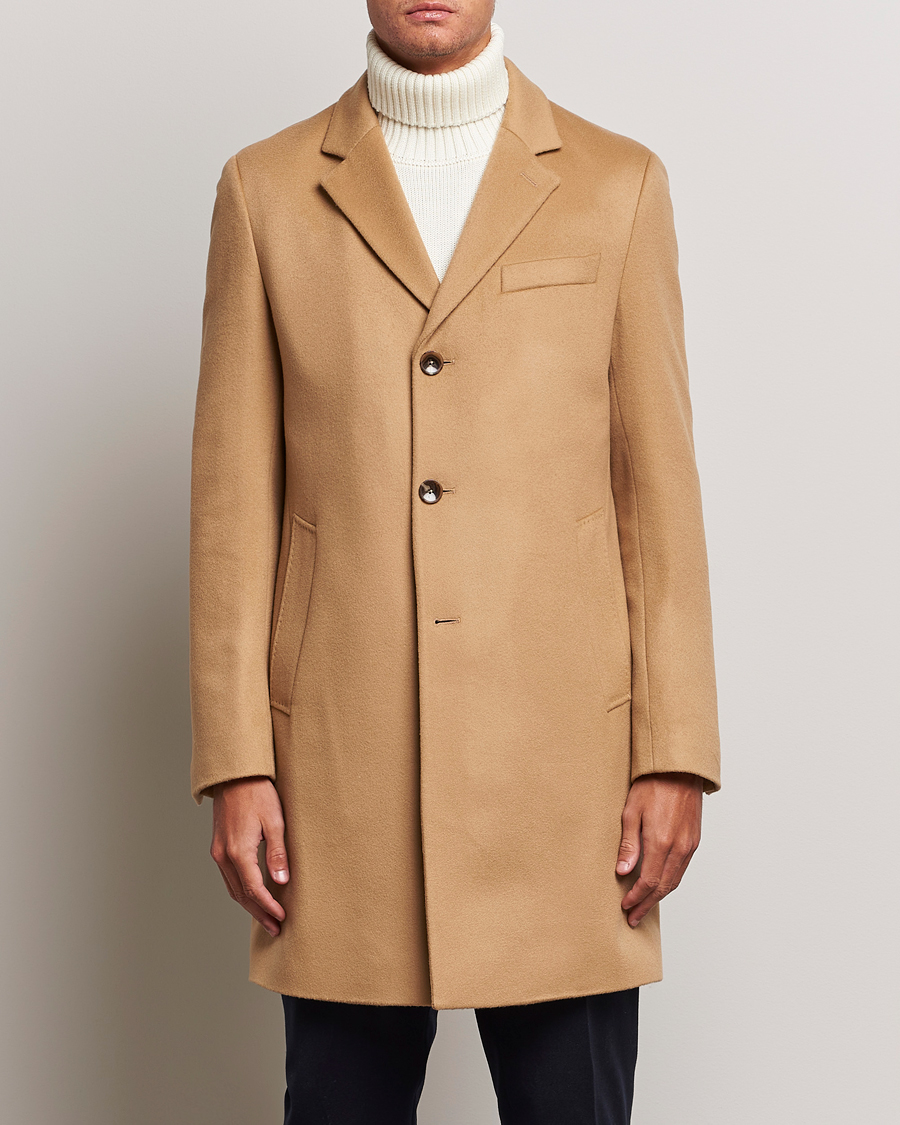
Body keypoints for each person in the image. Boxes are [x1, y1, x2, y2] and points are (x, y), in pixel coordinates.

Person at [189, 2, 721, 1121]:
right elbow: (234, 510)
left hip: (570, 785)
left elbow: (658, 501)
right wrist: (235, 761)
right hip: (338, 782)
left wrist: (675, 753)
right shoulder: (264, 190)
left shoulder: (618, 185)